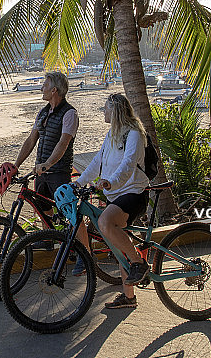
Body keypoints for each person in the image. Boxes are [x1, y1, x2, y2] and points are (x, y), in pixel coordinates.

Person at [74, 93, 150, 309]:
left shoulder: (133, 134)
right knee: (117, 244)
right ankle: (129, 297)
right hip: (116, 195)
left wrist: (110, 182)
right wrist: (79, 183)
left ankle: (138, 263)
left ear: (115, 111)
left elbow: (128, 164)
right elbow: (97, 161)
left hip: (133, 194)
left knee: (106, 223)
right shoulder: (112, 135)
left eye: (106, 109)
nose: (103, 112)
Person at [11, 71, 88, 270]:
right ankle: (47, 240)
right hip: (41, 172)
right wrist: (16, 165)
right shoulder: (44, 112)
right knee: (43, 208)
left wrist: (48, 164)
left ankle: (86, 255)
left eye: (44, 86)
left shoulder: (70, 113)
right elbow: (31, 140)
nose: (41, 88)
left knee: (72, 213)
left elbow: (63, 144)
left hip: (59, 172)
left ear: (54, 90)